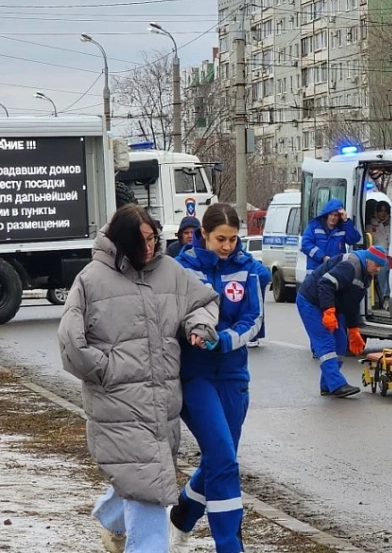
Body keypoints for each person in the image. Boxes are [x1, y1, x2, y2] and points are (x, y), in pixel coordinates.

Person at [57, 205, 219, 553]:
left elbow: (202, 302)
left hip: (162, 403)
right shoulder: (91, 279)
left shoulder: (170, 272)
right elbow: (70, 341)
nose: (149, 247)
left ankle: (110, 520)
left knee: (143, 475)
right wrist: (106, 369)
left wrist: (199, 326)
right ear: (121, 241)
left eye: (153, 238)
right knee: (148, 486)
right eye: (140, 241)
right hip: (116, 404)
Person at [169, 203, 265, 553]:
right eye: (220, 239)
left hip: (234, 376)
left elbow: (254, 320)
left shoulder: (249, 269)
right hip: (195, 377)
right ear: (202, 236)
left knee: (218, 460)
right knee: (224, 457)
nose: (227, 246)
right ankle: (230, 546)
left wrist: (223, 340)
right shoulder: (181, 269)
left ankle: (182, 516)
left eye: (233, 239)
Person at [296, 245, 388, 397]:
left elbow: (352, 302)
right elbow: (325, 284)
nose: (378, 269)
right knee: (326, 342)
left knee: (340, 341)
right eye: (377, 265)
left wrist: (353, 329)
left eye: (381, 266)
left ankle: (327, 385)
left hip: (329, 303)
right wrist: (329, 311)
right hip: (310, 301)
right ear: (368, 260)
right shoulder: (350, 266)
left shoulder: (366, 274)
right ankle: (337, 384)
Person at [300, 198, 361, 273]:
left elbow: (354, 239)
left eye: (336, 215)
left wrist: (346, 221)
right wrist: (322, 257)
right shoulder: (314, 226)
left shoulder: (343, 227)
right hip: (315, 271)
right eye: (331, 214)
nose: (333, 217)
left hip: (335, 271)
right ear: (326, 214)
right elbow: (305, 244)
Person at [368, 200, 391, 307]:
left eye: (385, 211)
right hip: (375, 256)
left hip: (390, 254)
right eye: (380, 211)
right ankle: (386, 297)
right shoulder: (370, 226)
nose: (383, 214)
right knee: (382, 266)